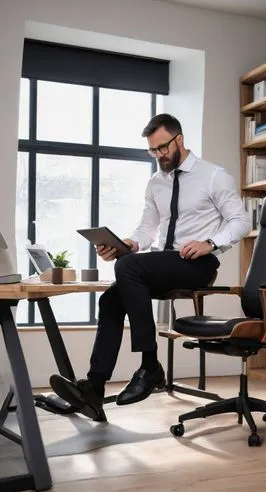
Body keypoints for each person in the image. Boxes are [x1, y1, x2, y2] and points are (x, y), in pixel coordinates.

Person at [50, 113, 251, 420]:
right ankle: (94, 388)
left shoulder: (213, 176)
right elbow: (148, 229)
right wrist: (129, 244)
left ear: (179, 140)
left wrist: (209, 243)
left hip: (198, 263)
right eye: (152, 150)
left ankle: (149, 365)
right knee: (110, 300)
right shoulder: (156, 183)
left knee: (129, 268)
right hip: (164, 261)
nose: (158, 155)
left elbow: (241, 221)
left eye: (162, 148)